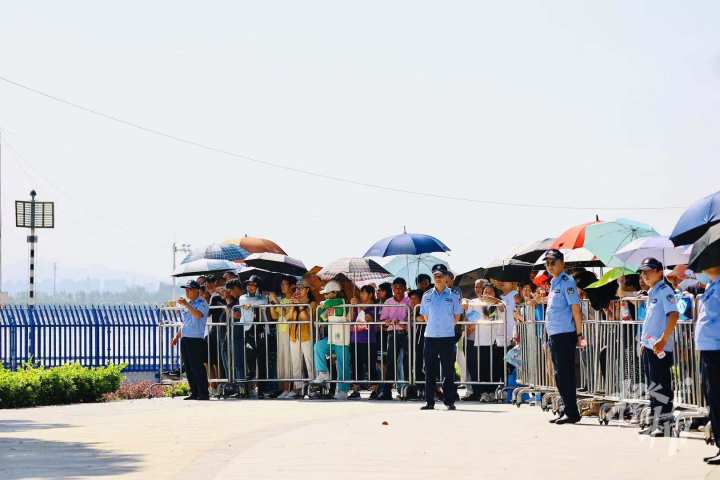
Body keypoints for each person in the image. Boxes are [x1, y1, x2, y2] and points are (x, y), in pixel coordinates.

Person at [637, 257, 679, 437]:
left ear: (659, 271)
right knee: (653, 386)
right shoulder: (653, 291)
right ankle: (655, 422)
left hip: (660, 347)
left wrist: (663, 338)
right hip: (650, 346)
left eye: (648, 271)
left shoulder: (664, 290)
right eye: (642, 272)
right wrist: (643, 343)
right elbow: (650, 321)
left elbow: (674, 315)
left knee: (661, 386)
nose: (644, 275)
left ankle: (665, 425)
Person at [543, 249, 584, 424]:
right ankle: (566, 409)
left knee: (565, 374)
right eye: (547, 263)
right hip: (554, 333)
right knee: (559, 375)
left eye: (553, 262)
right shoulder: (553, 283)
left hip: (564, 333)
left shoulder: (567, 282)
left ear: (562, 263)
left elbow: (575, 308)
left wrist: (580, 333)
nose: (550, 266)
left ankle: (572, 412)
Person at [418, 264, 463, 411]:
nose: (438, 278)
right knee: (429, 370)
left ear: (446, 278)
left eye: (440, 276)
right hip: (430, 337)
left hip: (447, 337)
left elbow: (457, 316)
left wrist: (446, 326)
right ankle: (429, 401)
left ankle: (449, 401)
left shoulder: (453, 296)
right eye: (435, 276)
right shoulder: (427, 296)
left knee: (448, 370)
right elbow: (425, 316)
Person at [694, 265, 720, 464]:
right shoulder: (712, 285)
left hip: (716, 348)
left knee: (717, 396)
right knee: (711, 396)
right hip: (708, 348)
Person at [239, 275, 278, 399]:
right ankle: (246, 390)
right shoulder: (242, 297)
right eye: (249, 284)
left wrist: (259, 301)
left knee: (262, 361)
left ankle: (261, 391)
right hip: (248, 330)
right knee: (250, 361)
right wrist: (255, 303)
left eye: (253, 285)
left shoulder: (263, 298)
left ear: (258, 287)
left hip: (261, 330)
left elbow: (262, 302)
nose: (250, 287)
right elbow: (250, 303)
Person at [171, 280, 210, 400]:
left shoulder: (202, 303)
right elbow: (185, 322)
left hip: (196, 339)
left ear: (197, 290)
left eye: (190, 289)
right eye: (186, 289)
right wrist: (177, 336)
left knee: (197, 367)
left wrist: (187, 305)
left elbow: (198, 315)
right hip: (186, 338)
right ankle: (194, 392)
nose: (187, 292)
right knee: (188, 367)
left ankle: (203, 393)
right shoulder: (189, 304)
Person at [312, 280, 351, 400]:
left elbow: (327, 303)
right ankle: (323, 372)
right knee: (318, 346)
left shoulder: (342, 302)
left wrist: (323, 304)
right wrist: (318, 312)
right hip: (331, 338)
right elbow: (321, 318)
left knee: (342, 364)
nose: (324, 296)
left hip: (342, 338)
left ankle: (343, 390)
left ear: (334, 292)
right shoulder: (329, 304)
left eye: (327, 293)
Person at [378, 277, 411, 400]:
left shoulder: (409, 301)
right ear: (392, 288)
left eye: (400, 288)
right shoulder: (388, 302)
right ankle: (387, 392)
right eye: (395, 288)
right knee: (391, 362)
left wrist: (402, 322)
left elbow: (411, 317)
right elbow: (383, 319)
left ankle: (409, 390)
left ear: (405, 289)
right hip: (393, 334)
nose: (397, 290)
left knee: (407, 361)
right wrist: (387, 321)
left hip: (406, 334)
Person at [349, 285, 380, 399]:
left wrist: (358, 306)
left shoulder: (373, 307)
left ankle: (375, 389)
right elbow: (352, 319)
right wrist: (352, 307)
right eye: (360, 293)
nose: (361, 295)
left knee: (371, 365)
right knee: (356, 365)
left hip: (369, 340)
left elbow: (367, 318)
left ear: (371, 294)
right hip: (355, 339)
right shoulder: (358, 306)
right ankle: (356, 390)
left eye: (363, 293)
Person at [286, 279, 315, 399]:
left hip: (306, 335)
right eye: (297, 288)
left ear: (307, 290)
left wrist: (301, 306)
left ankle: (313, 386)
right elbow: (287, 318)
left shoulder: (312, 303)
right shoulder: (294, 301)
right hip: (294, 335)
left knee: (309, 362)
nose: (298, 290)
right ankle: (298, 388)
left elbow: (307, 319)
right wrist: (293, 305)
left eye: (301, 288)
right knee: (296, 362)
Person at [269, 276, 296, 399]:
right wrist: (272, 303)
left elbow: (287, 314)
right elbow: (274, 316)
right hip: (281, 332)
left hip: (291, 333)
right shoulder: (282, 299)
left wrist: (277, 301)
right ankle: (285, 389)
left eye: (285, 284)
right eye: (281, 285)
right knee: (283, 361)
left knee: (290, 361)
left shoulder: (294, 299)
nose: (282, 287)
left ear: (291, 286)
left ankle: (294, 389)